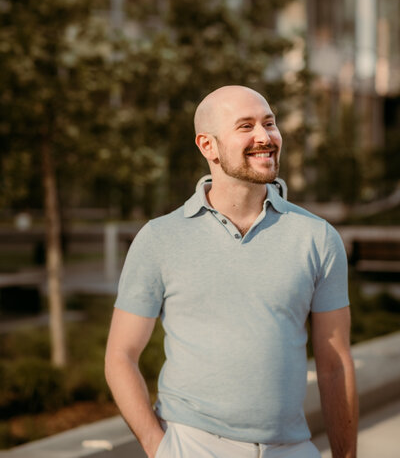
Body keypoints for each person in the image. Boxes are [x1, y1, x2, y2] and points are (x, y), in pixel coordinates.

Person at [105, 85, 358, 458]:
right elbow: (120, 355)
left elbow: (335, 363)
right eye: (246, 126)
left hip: (292, 447)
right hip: (193, 445)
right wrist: (159, 448)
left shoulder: (317, 237)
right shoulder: (160, 238)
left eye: (269, 123)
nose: (265, 137)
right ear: (208, 146)